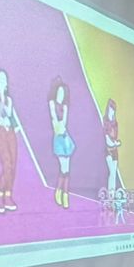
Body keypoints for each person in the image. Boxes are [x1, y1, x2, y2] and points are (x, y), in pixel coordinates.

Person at [0, 69, 20, 214]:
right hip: (1, 132)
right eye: (0, 78)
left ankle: (8, 196)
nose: (3, 81)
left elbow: (7, 114)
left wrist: (4, 95)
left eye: (5, 79)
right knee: (7, 165)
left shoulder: (9, 100)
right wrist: (0, 92)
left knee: (13, 165)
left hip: (10, 132)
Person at [49, 78, 74, 208]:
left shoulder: (65, 107)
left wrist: (60, 126)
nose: (60, 94)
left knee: (66, 170)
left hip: (65, 139)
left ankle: (64, 194)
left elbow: (63, 123)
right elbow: (55, 121)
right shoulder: (52, 103)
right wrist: (59, 126)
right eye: (59, 92)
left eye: (62, 93)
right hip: (58, 140)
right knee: (63, 169)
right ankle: (59, 192)